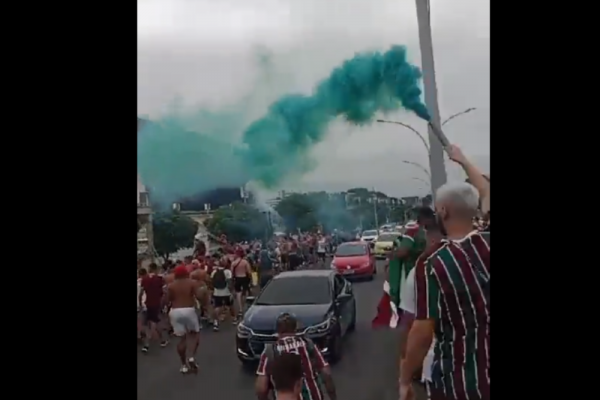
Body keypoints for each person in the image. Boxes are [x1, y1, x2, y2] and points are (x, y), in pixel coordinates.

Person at [399, 181, 490, 400]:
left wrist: (405, 378)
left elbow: (422, 330)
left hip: (463, 383)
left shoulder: (432, 263)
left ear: (444, 211)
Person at [398, 221, 444, 390]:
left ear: (432, 241)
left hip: (441, 365)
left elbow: (414, 327)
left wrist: (406, 374)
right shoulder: (480, 260)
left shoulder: (422, 272)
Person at [255, 313, 337, 400]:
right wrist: (333, 397)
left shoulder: (270, 351)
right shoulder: (308, 344)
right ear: (295, 329)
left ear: (278, 331)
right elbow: (326, 373)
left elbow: (261, 388)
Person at [167, 265, 202, 373]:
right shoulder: (192, 283)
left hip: (175, 311)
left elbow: (168, 299)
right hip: (189, 309)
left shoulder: (171, 285)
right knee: (195, 334)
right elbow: (199, 296)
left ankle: (183, 365)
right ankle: (191, 356)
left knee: (182, 339)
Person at [138, 263, 169, 352]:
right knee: (154, 323)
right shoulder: (159, 279)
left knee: (150, 323)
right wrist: (164, 303)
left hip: (146, 304)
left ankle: (159, 341)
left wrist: (140, 304)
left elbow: (141, 293)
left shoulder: (145, 279)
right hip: (155, 304)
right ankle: (148, 344)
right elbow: (164, 292)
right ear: (156, 269)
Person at [210, 259, 236, 331]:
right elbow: (230, 283)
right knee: (230, 305)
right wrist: (232, 292)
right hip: (226, 292)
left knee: (217, 307)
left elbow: (211, 283)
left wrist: (212, 291)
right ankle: (234, 318)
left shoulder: (214, 272)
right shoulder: (227, 272)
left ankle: (216, 322)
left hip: (217, 293)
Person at [231, 249, 252, 318]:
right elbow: (249, 272)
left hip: (237, 279)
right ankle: (244, 306)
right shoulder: (245, 262)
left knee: (238, 294)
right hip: (244, 278)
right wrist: (250, 279)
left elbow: (232, 273)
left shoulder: (233, 263)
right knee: (244, 293)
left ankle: (240, 309)